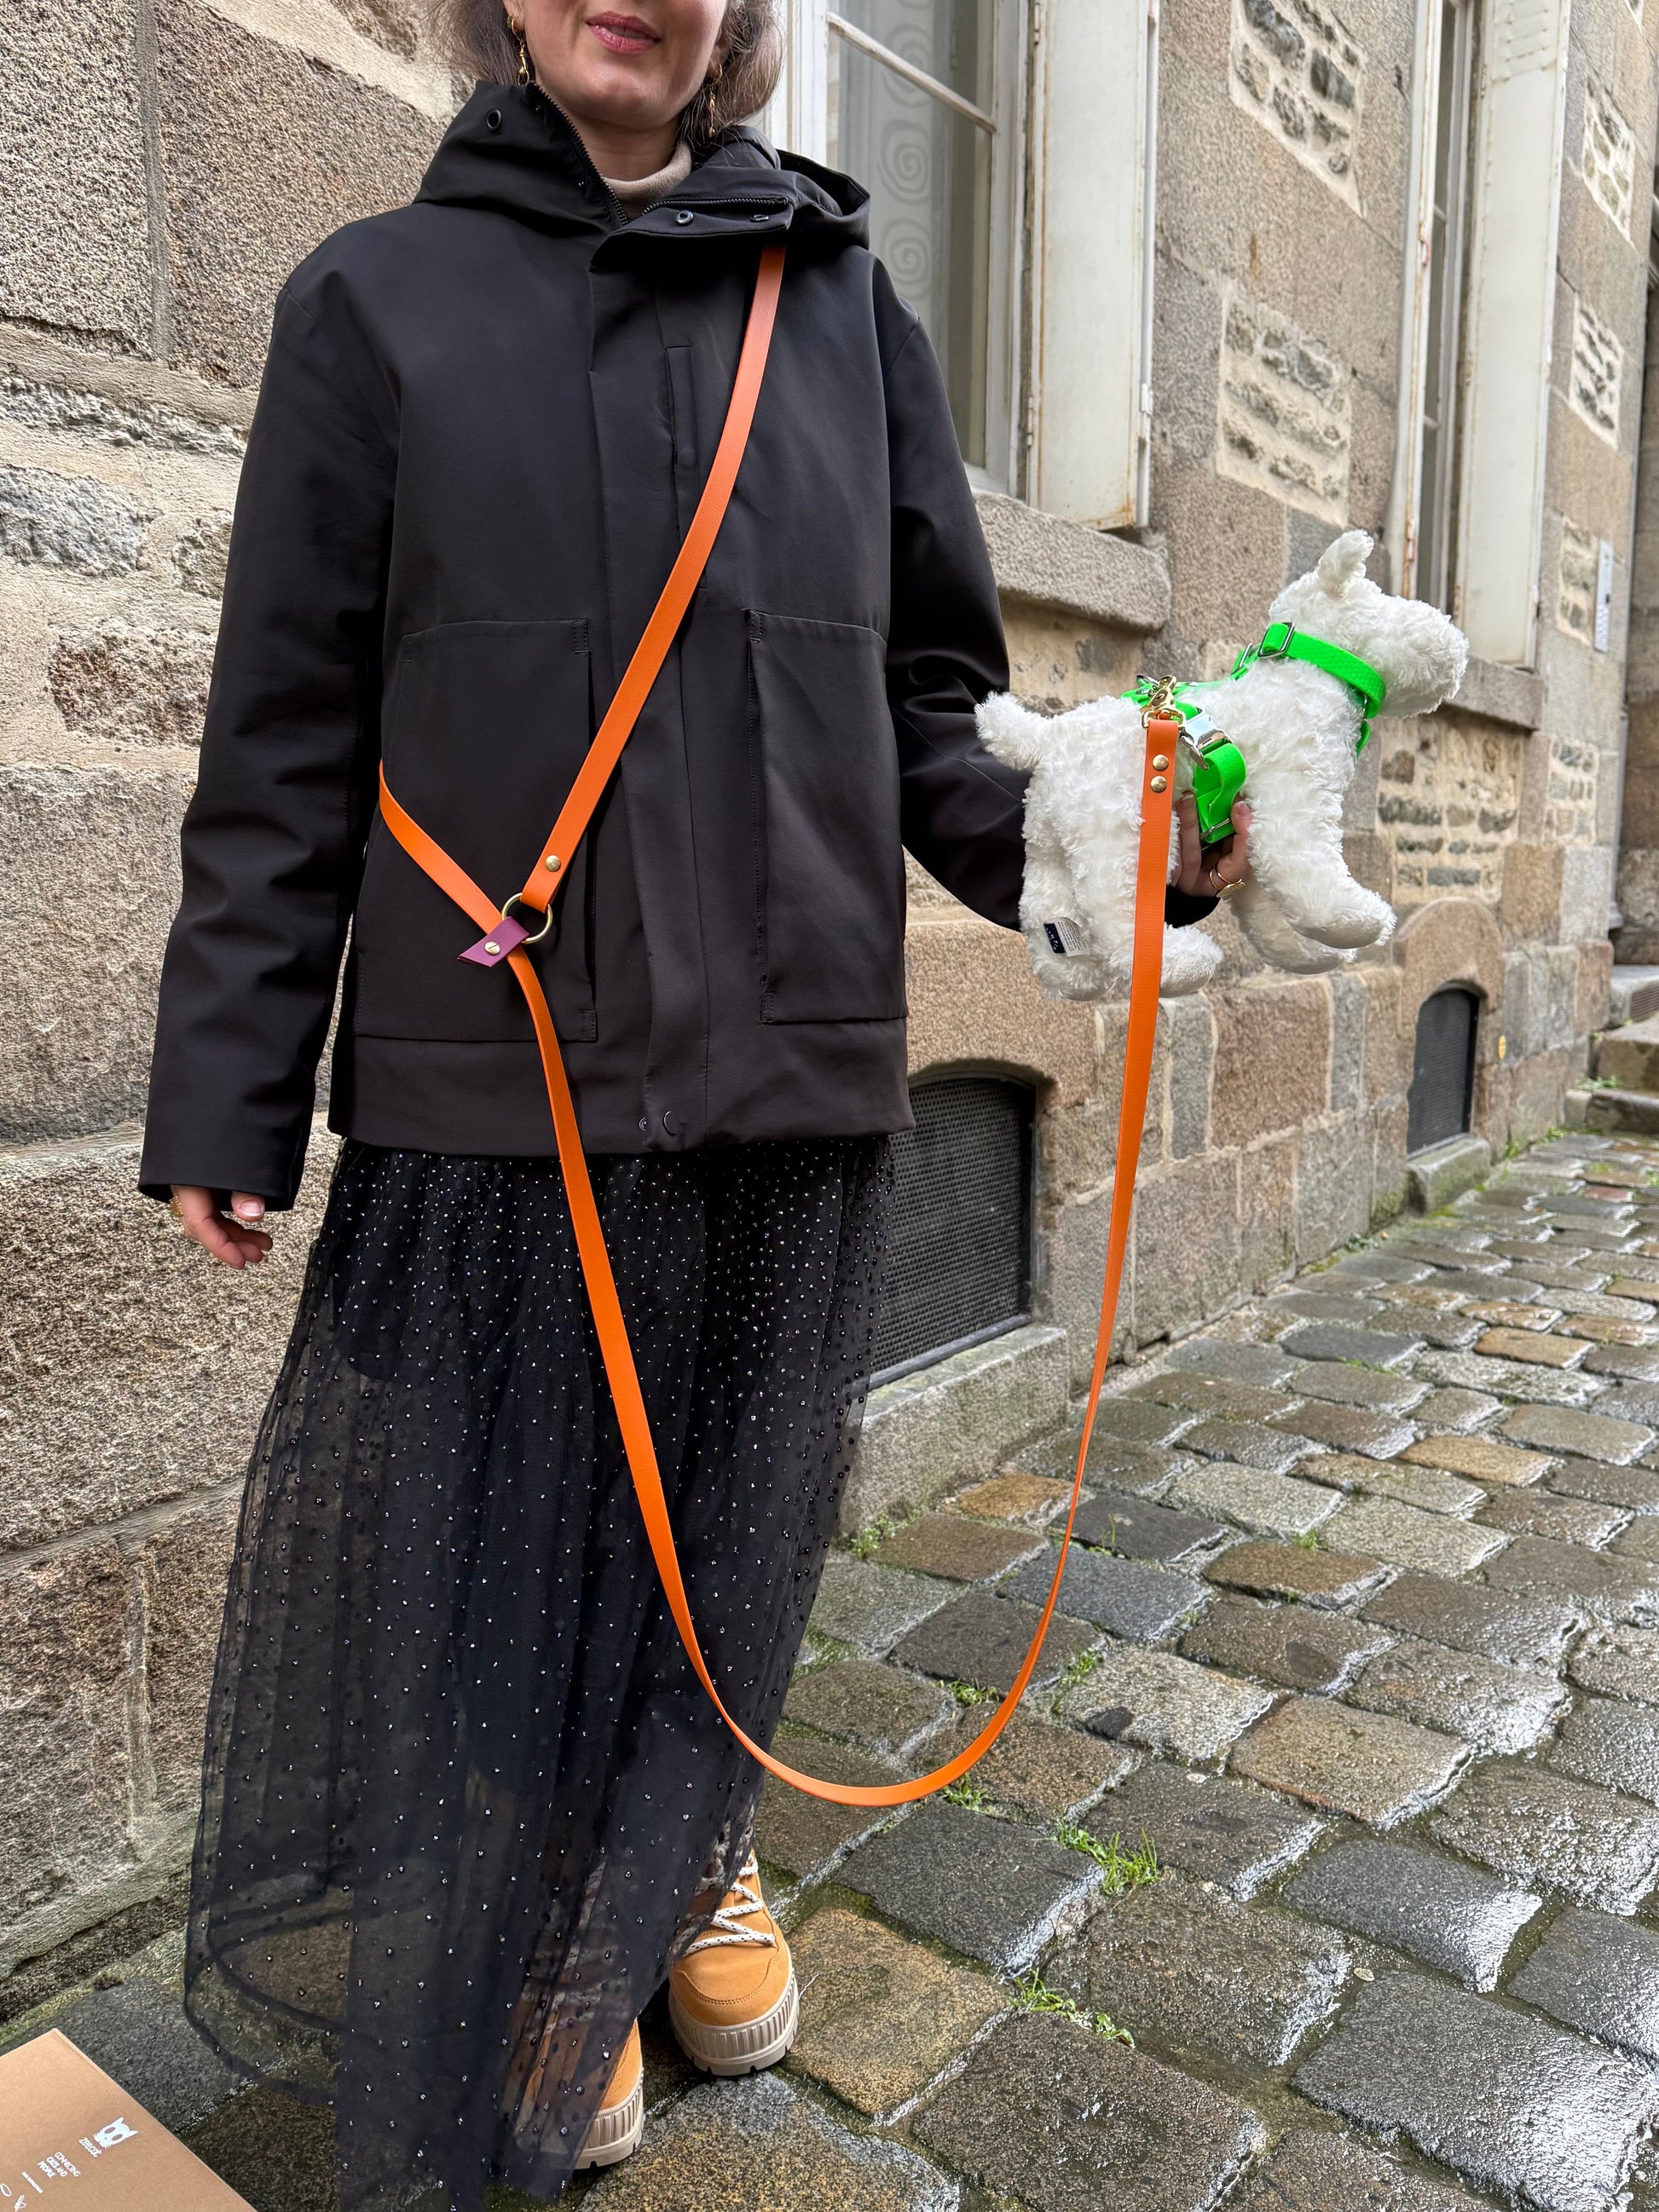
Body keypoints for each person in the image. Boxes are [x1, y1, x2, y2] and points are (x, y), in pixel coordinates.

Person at [139, 2, 1251, 2203]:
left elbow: (930, 710)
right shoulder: (370, 304)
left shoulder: (844, 312)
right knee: (494, 1559)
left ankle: (681, 1858)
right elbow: (283, 733)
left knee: (726, 1534)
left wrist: (1123, 843)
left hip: (787, 1079)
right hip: (500, 1096)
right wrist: (227, 1085)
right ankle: (540, 1890)